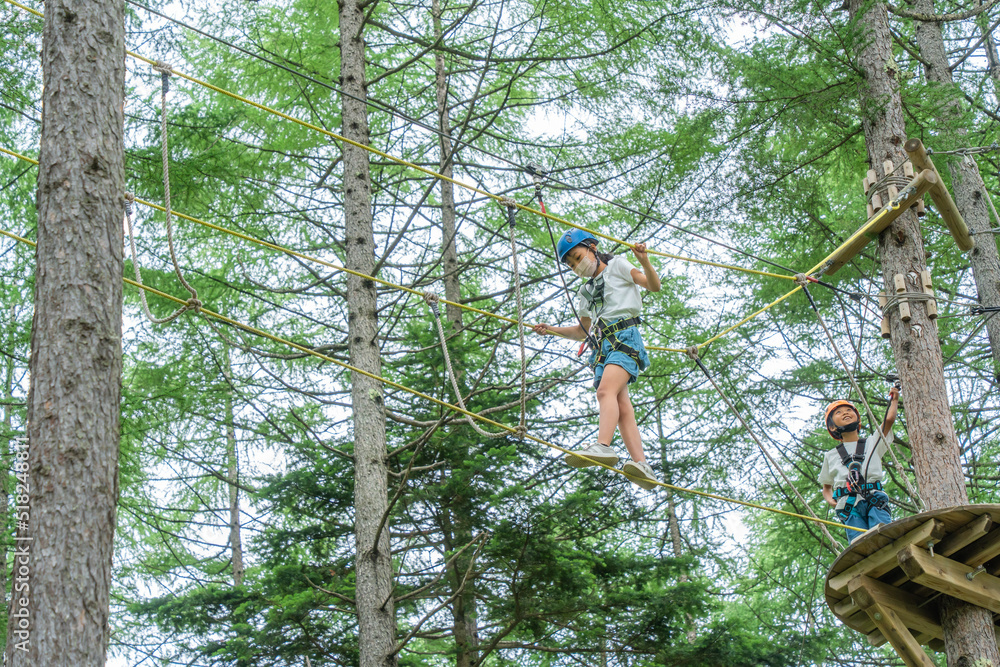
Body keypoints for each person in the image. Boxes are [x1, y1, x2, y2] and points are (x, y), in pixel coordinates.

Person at [532, 229, 660, 490]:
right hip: (604, 347)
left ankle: (603, 446)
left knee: (605, 392)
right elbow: (582, 332)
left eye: (578, 258)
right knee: (622, 406)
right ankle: (641, 463)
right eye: (571, 265)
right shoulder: (584, 293)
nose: (577, 266)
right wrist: (552, 329)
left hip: (625, 337)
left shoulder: (618, 267)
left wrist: (644, 260)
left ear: (592, 247)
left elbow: (653, 285)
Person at [819, 387, 900, 543]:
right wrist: (832, 501)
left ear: (858, 419)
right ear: (832, 427)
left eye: (849, 410)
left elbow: (888, 421)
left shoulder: (872, 442)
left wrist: (894, 400)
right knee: (859, 542)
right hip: (848, 505)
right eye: (838, 412)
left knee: (883, 533)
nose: (845, 413)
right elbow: (826, 487)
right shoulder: (831, 456)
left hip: (874, 498)